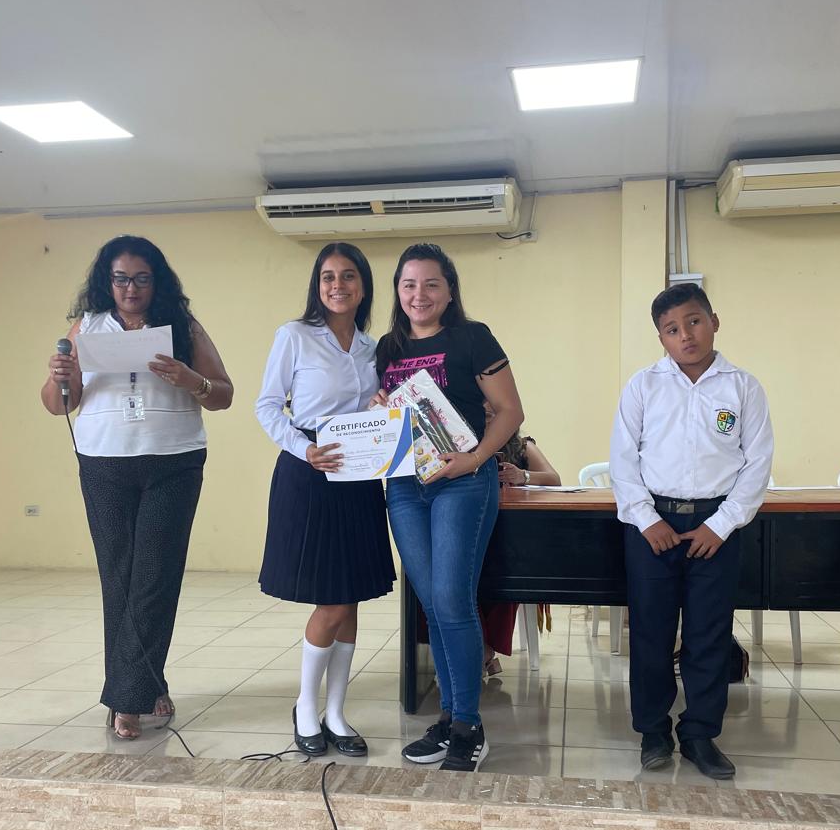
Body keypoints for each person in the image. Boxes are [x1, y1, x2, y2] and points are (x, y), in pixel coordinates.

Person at [42, 235, 233, 740]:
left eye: (142, 279)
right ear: (107, 282)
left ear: (157, 281)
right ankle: (146, 686)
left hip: (173, 463)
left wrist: (190, 380)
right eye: (121, 279)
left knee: (153, 577)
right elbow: (58, 405)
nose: (131, 288)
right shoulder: (87, 327)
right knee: (120, 578)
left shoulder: (183, 326)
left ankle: (126, 700)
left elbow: (224, 394)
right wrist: (60, 375)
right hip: (103, 463)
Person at [609, 281, 773, 779]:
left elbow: (757, 464)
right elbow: (623, 461)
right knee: (651, 633)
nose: (686, 335)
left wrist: (720, 525)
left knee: (708, 634)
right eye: (672, 329)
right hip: (652, 527)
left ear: (713, 321)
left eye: (694, 321)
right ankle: (653, 731)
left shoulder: (742, 387)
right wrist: (647, 519)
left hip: (715, 528)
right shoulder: (643, 386)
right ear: (661, 337)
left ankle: (700, 735)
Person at [375, 243, 524, 772]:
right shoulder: (387, 349)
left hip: (463, 482)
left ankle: (468, 726)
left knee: (452, 600)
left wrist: (476, 459)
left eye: (431, 284)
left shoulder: (472, 337)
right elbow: (391, 420)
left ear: (450, 290)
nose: (419, 294)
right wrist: (378, 408)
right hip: (405, 488)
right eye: (409, 284)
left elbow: (510, 411)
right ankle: (449, 717)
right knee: (433, 604)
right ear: (398, 291)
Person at [256, 242, 395, 758]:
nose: (338, 285)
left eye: (349, 275)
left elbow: (374, 414)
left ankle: (336, 713)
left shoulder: (373, 347)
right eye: (328, 277)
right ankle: (305, 707)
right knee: (331, 599)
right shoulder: (294, 336)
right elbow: (267, 406)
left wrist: (381, 405)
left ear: (364, 285)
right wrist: (305, 449)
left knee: (351, 594)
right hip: (310, 472)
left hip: (359, 476)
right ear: (318, 286)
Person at [480, 413, 561, 675]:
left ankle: (484, 650)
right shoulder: (466, 445)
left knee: (506, 578)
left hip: (512, 538)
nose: (488, 419)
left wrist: (522, 475)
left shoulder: (522, 446)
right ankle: (481, 651)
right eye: (484, 414)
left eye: (493, 414)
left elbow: (554, 478)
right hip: (477, 532)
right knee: (464, 578)